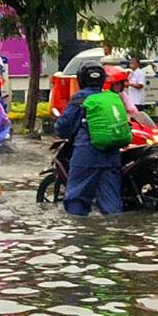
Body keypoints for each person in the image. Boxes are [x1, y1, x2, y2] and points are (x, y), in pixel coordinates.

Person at [56, 63, 123, 216]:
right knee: (111, 201)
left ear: (81, 80)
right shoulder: (108, 97)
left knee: (76, 198)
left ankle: (79, 236)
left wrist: (59, 129)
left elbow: (64, 126)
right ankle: (116, 235)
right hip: (112, 155)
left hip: (87, 154)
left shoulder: (80, 97)